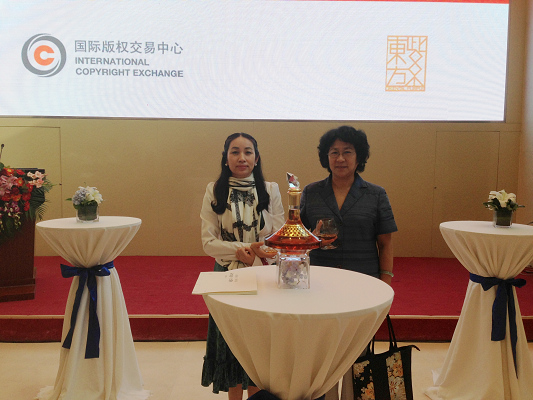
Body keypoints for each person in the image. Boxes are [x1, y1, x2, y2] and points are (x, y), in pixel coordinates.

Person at [300, 126, 398, 400]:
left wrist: (385, 284)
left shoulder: (376, 194)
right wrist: (312, 239)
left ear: (359, 157)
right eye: (334, 152)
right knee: (323, 352)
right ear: (326, 157)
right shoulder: (311, 192)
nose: (340, 158)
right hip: (320, 283)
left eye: (347, 152)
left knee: (358, 354)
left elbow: (386, 243)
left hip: (362, 283)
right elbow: (299, 240)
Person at [200, 132, 285, 400]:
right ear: (225, 158)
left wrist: (256, 259)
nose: (242, 158)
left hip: (263, 276)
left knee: (258, 347)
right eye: (235, 152)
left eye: (248, 152)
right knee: (231, 344)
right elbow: (208, 243)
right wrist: (245, 250)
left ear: (256, 158)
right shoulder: (214, 190)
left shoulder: (270, 189)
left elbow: (279, 240)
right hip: (227, 277)